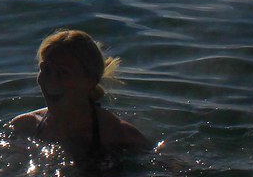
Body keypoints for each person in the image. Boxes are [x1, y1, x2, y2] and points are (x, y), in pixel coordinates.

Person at [10, 30, 149, 157]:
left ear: (89, 82)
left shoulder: (121, 136)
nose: (51, 80)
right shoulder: (25, 126)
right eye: (45, 70)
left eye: (63, 73)